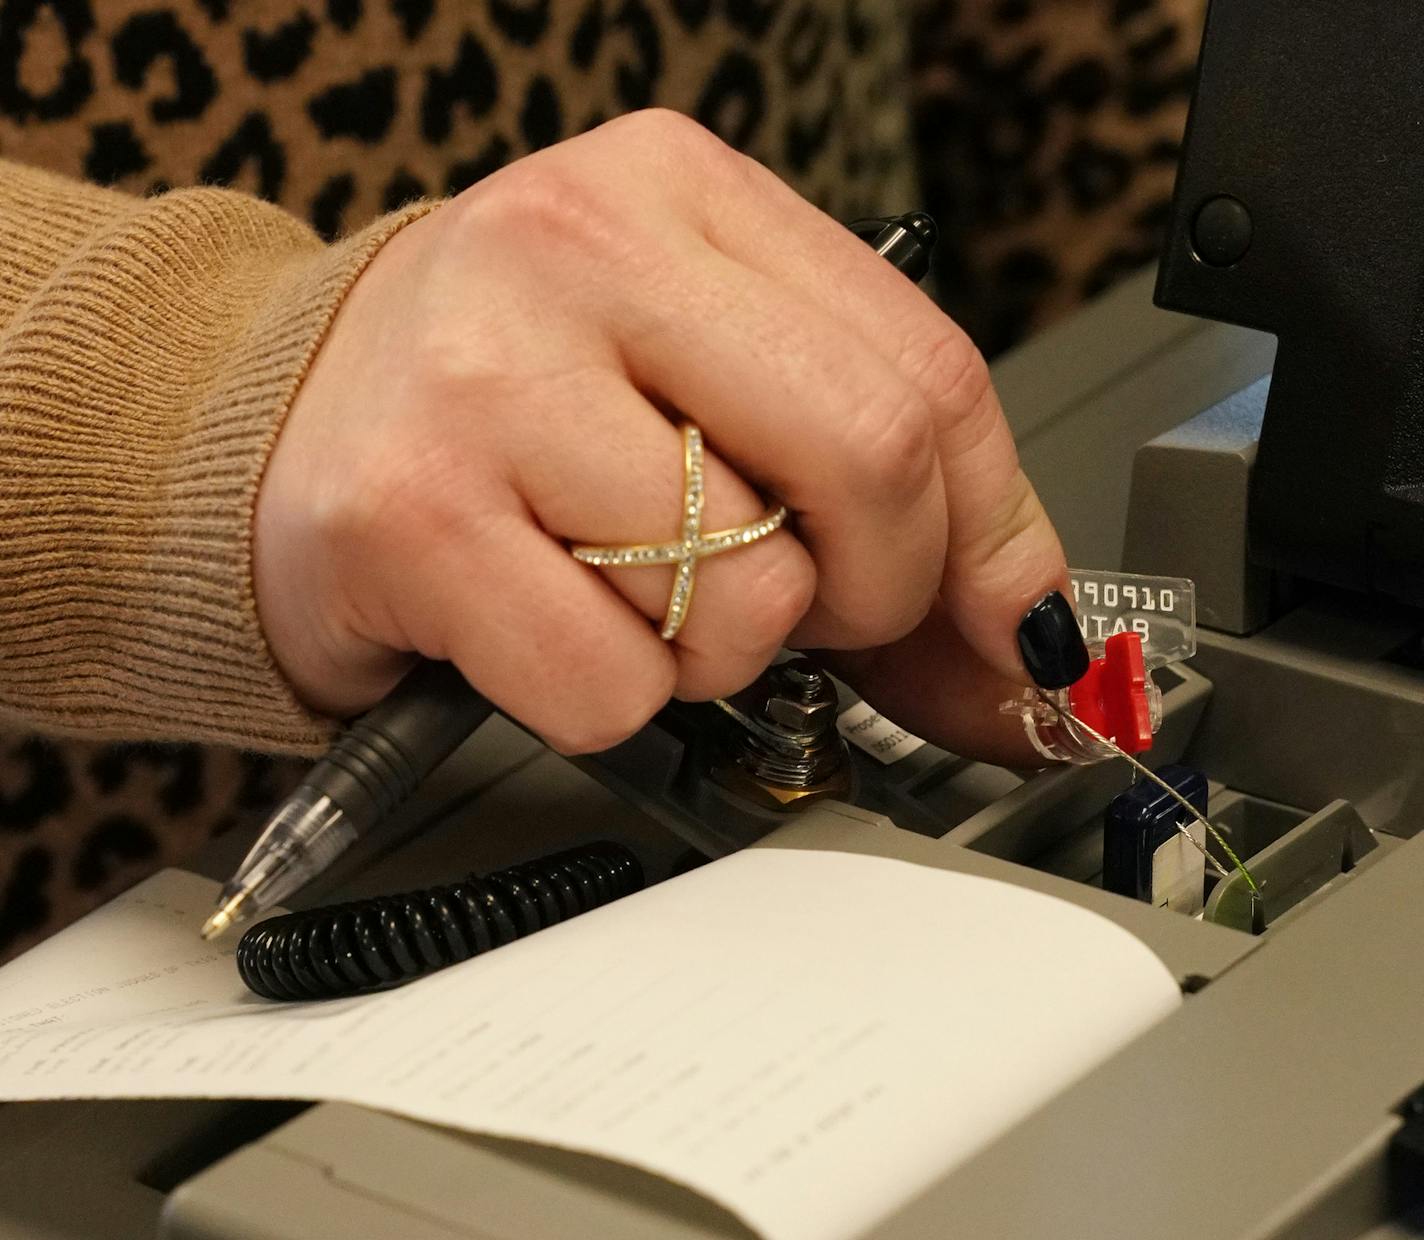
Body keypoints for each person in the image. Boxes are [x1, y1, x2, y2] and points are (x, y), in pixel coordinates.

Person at [0, 0, 1206, 960]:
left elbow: (1059, 57)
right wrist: (175, 404)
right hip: (100, 882)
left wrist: (1167, 288)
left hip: (813, 539)